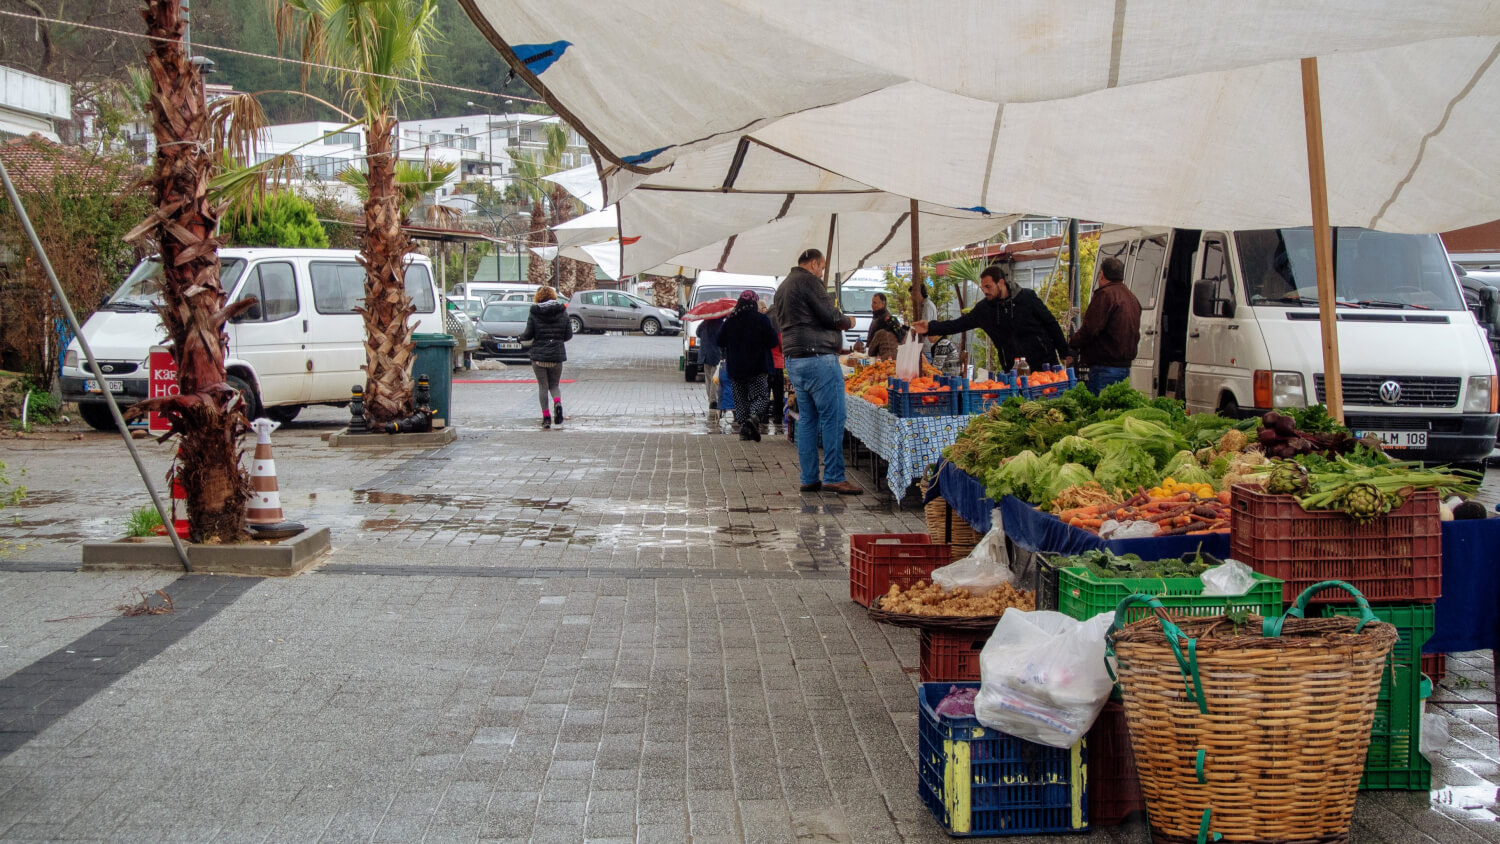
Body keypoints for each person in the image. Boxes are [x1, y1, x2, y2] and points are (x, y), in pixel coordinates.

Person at [779, 248, 862, 495]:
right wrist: (849, 321)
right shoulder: (810, 281)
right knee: (833, 418)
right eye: (822, 267)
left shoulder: (784, 286)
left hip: (795, 359)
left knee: (807, 420)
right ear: (815, 264)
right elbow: (831, 316)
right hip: (818, 359)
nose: (822, 272)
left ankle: (809, 478)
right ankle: (834, 476)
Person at [913, 265, 1068, 373]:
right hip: (1012, 370)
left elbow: (1051, 323)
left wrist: (1064, 351)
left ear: (1001, 283)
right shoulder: (984, 310)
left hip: (1044, 364)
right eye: (983, 288)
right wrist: (930, 328)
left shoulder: (1027, 298)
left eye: (988, 287)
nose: (985, 291)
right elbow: (958, 324)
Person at [1069, 256, 1142, 394]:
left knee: (1100, 411)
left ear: (1101, 275)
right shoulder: (1131, 297)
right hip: (1124, 366)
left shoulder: (1105, 295)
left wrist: (1072, 343)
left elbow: (1090, 329)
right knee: (1115, 409)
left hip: (1104, 366)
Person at [717, 290, 779, 441]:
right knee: (761, 397)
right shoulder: (761, 319)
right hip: (757, 367)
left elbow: (719, 341)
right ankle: (752, 420)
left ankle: (745, 430)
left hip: (736, 368)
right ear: (755, 302)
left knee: (740, 399)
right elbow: (773, 341)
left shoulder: (731, 320)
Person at [519, 285, 572, 429]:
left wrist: (519, 338)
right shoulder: (563, 312)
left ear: (539, 297)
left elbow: (528, 334)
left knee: (543, 386)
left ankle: (546, 417)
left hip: (539, 356)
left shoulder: (535, 312)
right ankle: (558, 403)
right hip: (557, 355)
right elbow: (568, 335)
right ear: (553, 296)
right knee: (554, 385)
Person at [760, 299, 786, 429]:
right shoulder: (779, 329)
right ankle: (777, 417)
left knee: (765, 392)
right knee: (778, 394)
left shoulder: (763, 324)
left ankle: (764, 417)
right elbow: (782, 347)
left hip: (765, 365)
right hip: (778, 365)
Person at [697, 315, 725, 409]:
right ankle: (713, 400)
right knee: (715, 378)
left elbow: (697, 332)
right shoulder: (720, 324)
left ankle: (711, 399)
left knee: (708, 378)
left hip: (705, 354)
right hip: (716, 354)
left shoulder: (705, 322)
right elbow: (722, 340)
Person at [915, 282, 938, 360]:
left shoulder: (927, 306)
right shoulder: (925, 304)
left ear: (919, 294)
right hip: (926, 345)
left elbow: (924, 326)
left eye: (912, 295)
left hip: (926, 346)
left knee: (926, 369)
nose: (911, 298)